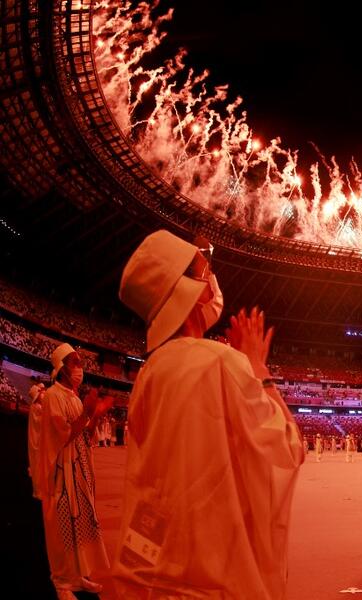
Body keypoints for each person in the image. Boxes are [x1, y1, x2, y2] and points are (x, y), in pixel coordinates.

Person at [114, 230, 304, 598]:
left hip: (153, 572)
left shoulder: (148, 375)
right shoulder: (220, 361)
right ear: (192, 289)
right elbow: (287, 449)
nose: (212, 280)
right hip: (215, 577)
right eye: (205, 271)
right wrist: (258, 370)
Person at [39, 343, 111, 598]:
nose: (80, 368)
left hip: (78, 470)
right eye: (75, 363)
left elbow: (84, 435)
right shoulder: (53, 396)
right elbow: (63, 437)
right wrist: (88, 413)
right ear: (62, 368)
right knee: (62, 529)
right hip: (62, 472)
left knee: (78, 525)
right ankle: (61, 582)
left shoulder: (72, 396)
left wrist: (96, 414)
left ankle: (77, 577)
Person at [27, 382, 45, 499]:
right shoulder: (37, 408)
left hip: (39, 439)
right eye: (41, 393)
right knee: (38, 464)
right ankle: (38, 491)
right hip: (37, 440)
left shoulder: (37, 407)